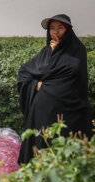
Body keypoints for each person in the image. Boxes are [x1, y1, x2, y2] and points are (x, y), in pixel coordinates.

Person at [17, 14, 93, 164]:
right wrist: (36, 84)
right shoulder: (47, 51)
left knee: (65, 146)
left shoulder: (77, 50)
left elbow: (70, 76)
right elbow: (26, 71)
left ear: (68, 30)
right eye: (52, 28)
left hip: (70, 110)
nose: (55, 32)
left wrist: (54, 55)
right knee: (44, 143)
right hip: (44, 111)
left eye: (60, 27)